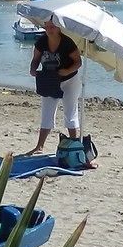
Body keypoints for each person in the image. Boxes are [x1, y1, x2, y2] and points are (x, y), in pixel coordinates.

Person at [28, 19, 82, 153]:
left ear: (58, 28)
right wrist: (33, 69)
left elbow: (78, 62)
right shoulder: (41, 42)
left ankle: (74, 145)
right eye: (47, 27)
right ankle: (39, 146)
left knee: (70, 113)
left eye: (52, 27)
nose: (49, 30)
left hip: (70, 80)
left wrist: (67, 71)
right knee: (47, 113)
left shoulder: (67, 43)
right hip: (49, 80)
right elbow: (35, 59)